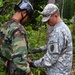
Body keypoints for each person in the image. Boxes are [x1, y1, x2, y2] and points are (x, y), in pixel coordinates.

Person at [29, 3, 73, 75]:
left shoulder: (57, 32)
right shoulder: (64, 28)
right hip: (64, 70)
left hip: (57, 71)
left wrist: (33, 64)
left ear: (55, 16)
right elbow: (57, 46)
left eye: (48, 20)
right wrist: (40, 49)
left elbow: (50, 59)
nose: (47, 22)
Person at [0, 0, 33, 75]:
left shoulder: (4, 26)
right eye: (27, 17)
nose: (26, 20)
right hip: (17, 71)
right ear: (24, 13)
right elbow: (20, 61)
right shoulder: (18, 30)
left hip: (8, 67)